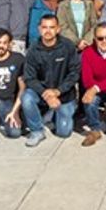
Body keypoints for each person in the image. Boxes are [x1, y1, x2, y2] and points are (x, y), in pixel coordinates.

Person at [20, 13, 82, 146]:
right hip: (42, 93)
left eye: (52, 27)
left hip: (64, 94)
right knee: (26, 98)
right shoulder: (33, 50)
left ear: (58, 29)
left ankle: (53, 114)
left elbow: (74, 73)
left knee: (64, 133)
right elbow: (29, 78)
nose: (48, 31)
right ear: (39, 29)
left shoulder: (68, 46)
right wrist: (46, 94)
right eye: (45, 27)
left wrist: (58, 91)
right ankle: (36, 131)